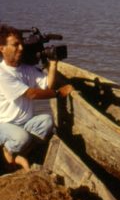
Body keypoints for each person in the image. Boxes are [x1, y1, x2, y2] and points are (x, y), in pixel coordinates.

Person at [0, 24, 73, 172]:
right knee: (22, 138)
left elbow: (46, 85)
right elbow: (32, 94)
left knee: (47, 121)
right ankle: (8, 152)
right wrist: (59, 93)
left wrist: (53, 64)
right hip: (3, 125)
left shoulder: (27, 69)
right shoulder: (2, 73)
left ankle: (17, 153)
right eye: (15, 45)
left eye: (21, 44)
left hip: (24, 123)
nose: (21, 48)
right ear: (2, 48)